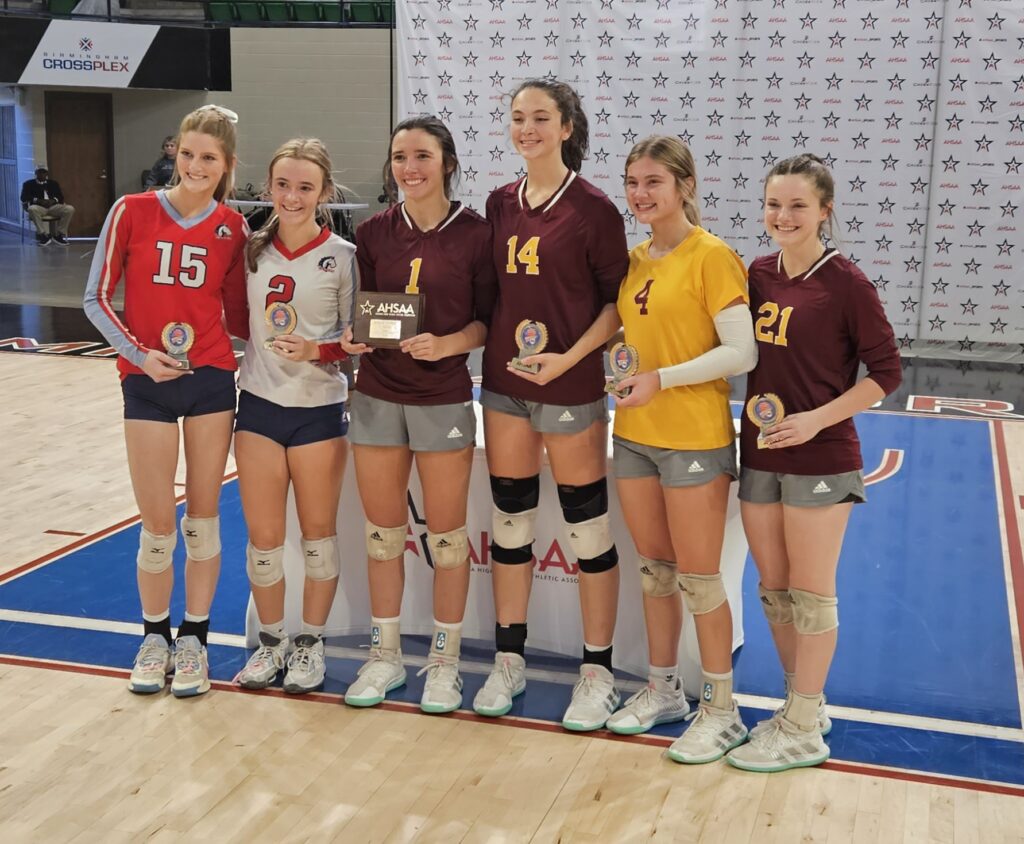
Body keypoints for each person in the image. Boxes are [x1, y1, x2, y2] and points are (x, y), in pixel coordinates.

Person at [726, 154, 901, 772]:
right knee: (774, 591)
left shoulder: (847, 283)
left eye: (798, 205)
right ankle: (804, 704)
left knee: (811, 593)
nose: (784, 216)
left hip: (821, 454)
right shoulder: (756, 274)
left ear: (825, 210)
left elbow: (887, 374)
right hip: (761, 453)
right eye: (775, 204)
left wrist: (818, 418)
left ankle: (802, 728)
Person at [476, 79, 629, 731]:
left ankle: (597, 671)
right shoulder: (499, 202)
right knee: (510, 526)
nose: (527, 128)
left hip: (569, 387)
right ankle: (509, 659)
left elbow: (617, 307)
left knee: (588, 531)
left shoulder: (595, 210)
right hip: (506, 385)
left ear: (568, 127)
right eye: (517, 118)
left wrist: (569, 360)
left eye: (541, 117)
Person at [83, 105, 248, 697]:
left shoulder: (234, 227)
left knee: (203, 523)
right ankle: (154, 637)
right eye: (188, 153)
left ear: (227, 164)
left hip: (208, 378)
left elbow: (243, 315)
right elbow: (95, 298)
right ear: (175, 152)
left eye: (210, 157)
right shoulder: (132, 210)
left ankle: (195, 641)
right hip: (145, 379)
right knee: (158, 527)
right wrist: (137, 353)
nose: (196, 165)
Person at [602, 136, 757, 763]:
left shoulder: (712, 255)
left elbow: (741, 353)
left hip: (694, 436)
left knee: (700, 577)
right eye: (633, 182)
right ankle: (664, 688)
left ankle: (722, 709)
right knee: (656, 570)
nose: (640, 194)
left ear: (684, 186)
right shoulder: (636, 258)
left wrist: (660, 380)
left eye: (653, 183)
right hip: (634, 434)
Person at [339, 116, 496, 713]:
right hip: (378, 393)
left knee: (448, 539)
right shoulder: (374, 231)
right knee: (384, 537)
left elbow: (487, 321)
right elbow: (370, 314)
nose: (410, 167)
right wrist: (357, 340)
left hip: (443, 397)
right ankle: (384, 657)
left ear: (447, 162)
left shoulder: (478, 234)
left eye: (422, 155)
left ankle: (445, 662)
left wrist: (451, 344)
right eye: (400, 156)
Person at [231, 139, 356, 694]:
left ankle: (310, 645)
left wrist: (318, 351)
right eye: (283, 185)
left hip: (318, 410)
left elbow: (359, 340)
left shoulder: (344, 258)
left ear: (324, 192)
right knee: (263, 539)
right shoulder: (251, 250)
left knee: (317, 538)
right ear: (268, 188)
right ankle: (271, 644)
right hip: (258, 404)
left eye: (305, 187)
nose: (292, 196)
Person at [21, 166, 75, 245]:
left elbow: (60, 197)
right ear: (36, 173)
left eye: (44, 172)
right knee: (32, 208)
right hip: (39, 207)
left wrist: (53, 200)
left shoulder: (53, 183)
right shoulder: (28, 184)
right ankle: (43, 235)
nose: (42, 174)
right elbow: (24, 197)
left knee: (70, 209)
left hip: (53, 207)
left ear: (47, 173)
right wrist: (38, 200)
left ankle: (58, 235)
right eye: (40, 172)